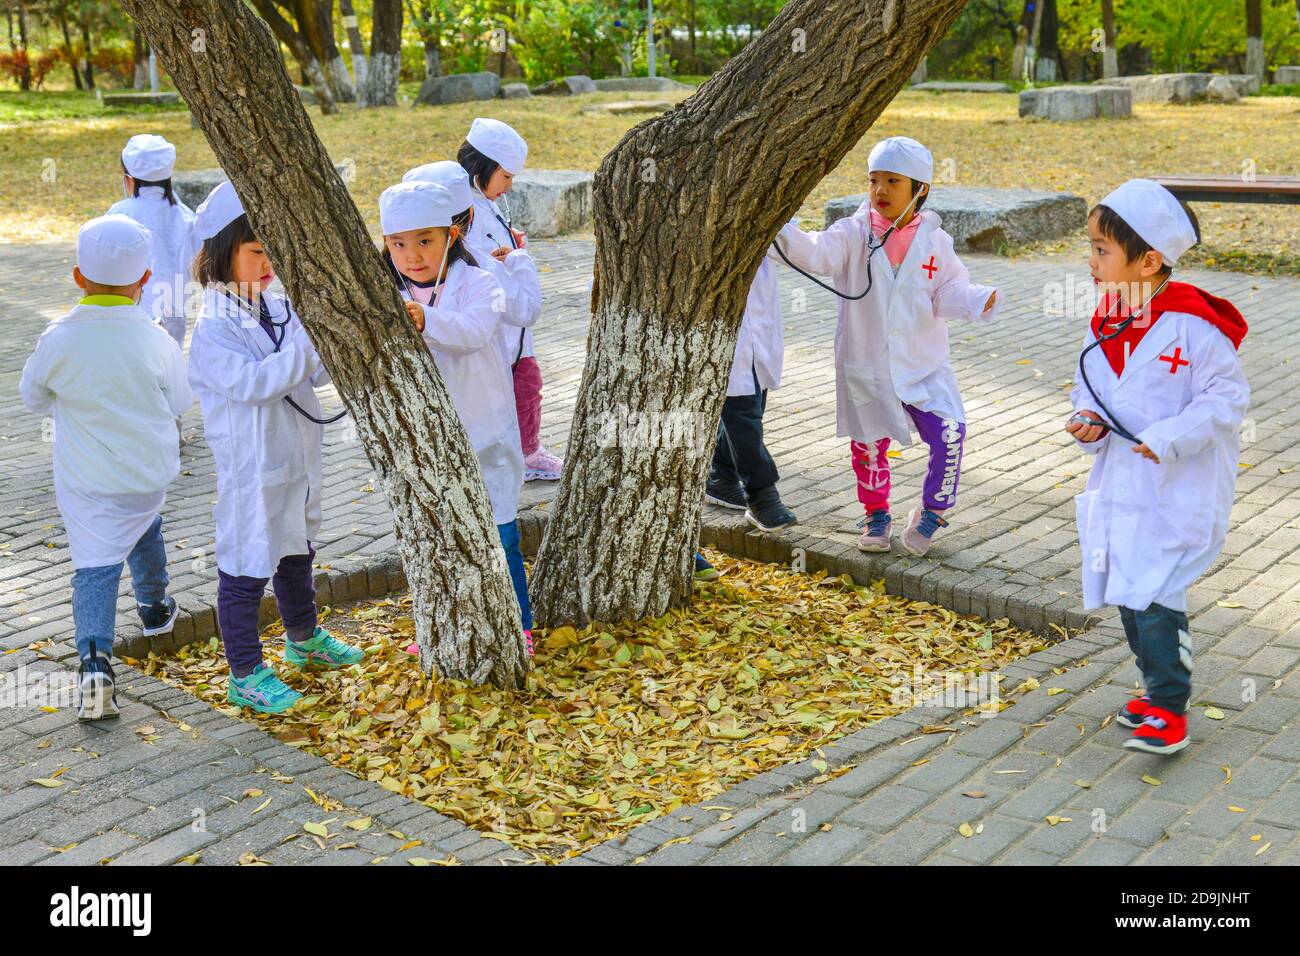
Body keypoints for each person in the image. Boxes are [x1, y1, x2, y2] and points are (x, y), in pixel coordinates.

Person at [1066, 179, 1249, 755]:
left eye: (1102, 250)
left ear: (1148, 261)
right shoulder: (1109, 318)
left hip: (1178, 482)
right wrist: (1087, 418)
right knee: (1127, 581)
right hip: (1124, 479)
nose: (1091, 261)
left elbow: (1226, 401)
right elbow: (1091, 385)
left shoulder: (1194, 326)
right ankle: (1154, 688)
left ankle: (1170, 708)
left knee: (1156, 588)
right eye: (1091, 247)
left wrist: (1168, 438)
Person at [771, 137, 998, 556]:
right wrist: (776, 227)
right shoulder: (853, 233)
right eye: (874, 180)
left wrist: (975, 298)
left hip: (922, 363)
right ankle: (877, 514)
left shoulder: (935, 242)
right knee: (869, 443)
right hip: (868, 363)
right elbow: (816, 253)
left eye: (893, 181)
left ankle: (932, 511)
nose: (880, 190)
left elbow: (948, 289)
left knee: (950, 433)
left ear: (921, 189)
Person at [187, 182, 364, 713]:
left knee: (295, 550)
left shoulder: (279, 305)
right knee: (245, 565)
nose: (268, 263)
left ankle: (304, 641)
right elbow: (255, 383)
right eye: (256, 252)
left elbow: (314, 368)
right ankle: (244, 672)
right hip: (253, 466)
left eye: (272, 251)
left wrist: (325, 347)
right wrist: (311, 345)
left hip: (297, 456)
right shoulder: (213, 327)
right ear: (222, 253)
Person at [19, 214, 191, 720]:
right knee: (144, 524)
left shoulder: (59, 337)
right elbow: (180, 398)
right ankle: (156, 608)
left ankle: (95, 665)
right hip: (144, 473)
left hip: (87, 479)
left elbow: (31, 397)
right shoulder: (156, 338)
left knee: (94, 565)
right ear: (145, 280)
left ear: (78, 277)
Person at [379, 179, 534, 657]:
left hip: (485, 429)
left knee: (499, 534)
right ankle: (445, 624)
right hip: (425, 436)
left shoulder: (481, 281)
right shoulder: (387, 288)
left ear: (452, 235)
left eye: (424, 241)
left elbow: (471, 331)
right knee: (438, 537)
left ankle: (520, 625)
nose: (412, 255)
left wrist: (426, 321)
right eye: (398, 244)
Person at [458, 117, 564, 482]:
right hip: (500, 316)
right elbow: (472, 255)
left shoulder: (485, 202)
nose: (509, 186)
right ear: (481, 167)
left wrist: (512, 246)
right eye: (506, 177)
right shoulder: (465, 208)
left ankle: (526, 449)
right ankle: (524, 454)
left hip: (511, 318)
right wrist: (511, 261)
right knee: (518, 385)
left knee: (527, 382)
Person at [704, 256, 796, 531]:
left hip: (756, 313)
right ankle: (762, 495)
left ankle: (722, 475)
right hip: (718, 314)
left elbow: (794, 244)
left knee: (753, 396)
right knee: (740, 407)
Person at [106, 134, 195, 348]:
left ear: (129, 179)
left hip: (127, 312)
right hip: (174, 311)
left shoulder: (119, 214)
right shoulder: (184, 215)